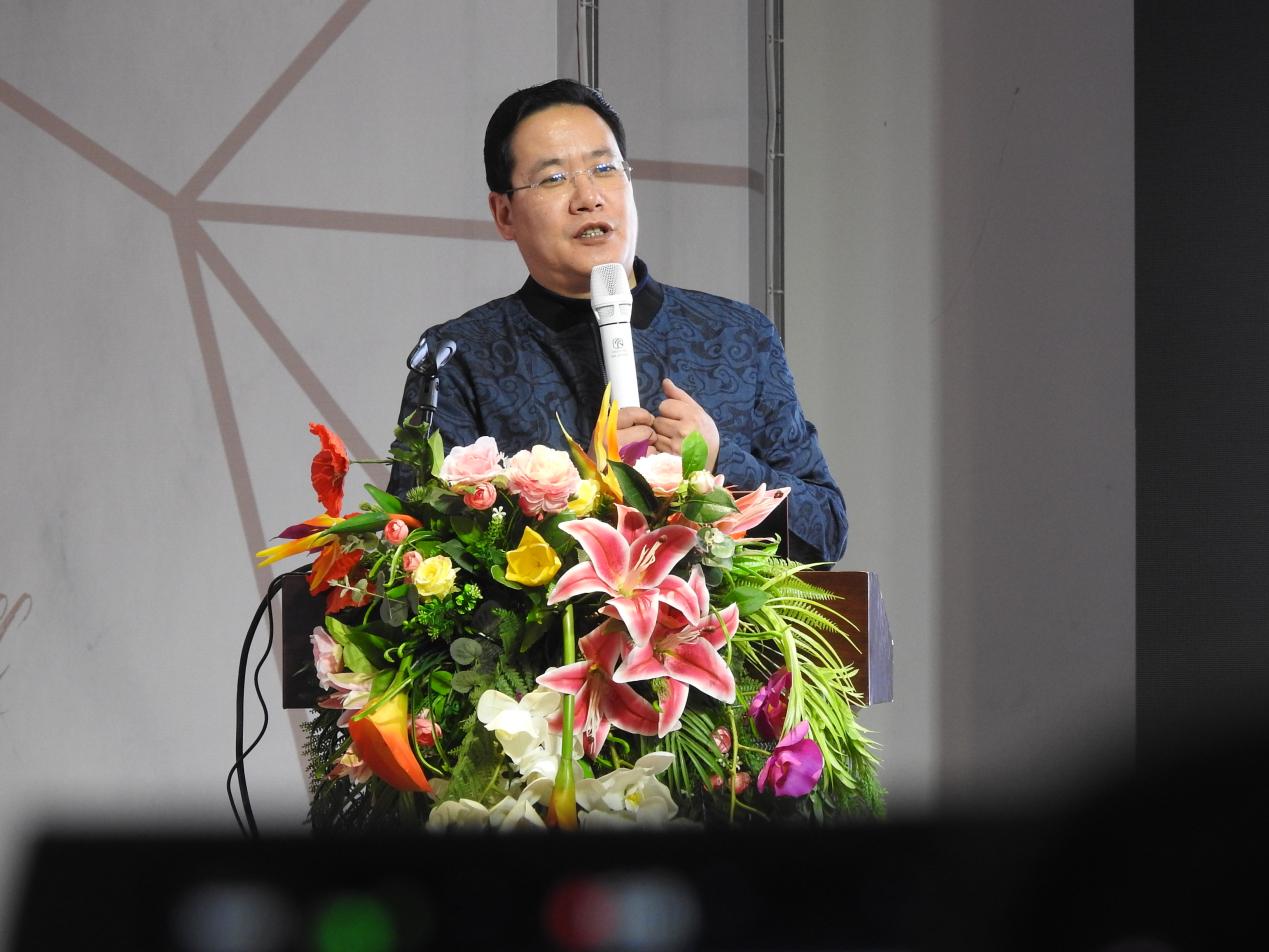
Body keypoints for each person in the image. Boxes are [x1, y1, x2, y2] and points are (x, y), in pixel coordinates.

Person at [387, 78, 846, 565]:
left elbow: (826, 533)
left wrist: (719, 462)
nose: (588, 197)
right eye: (553, 178)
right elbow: (409, 553)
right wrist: (582, 486)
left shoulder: (738, 334)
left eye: (605, 168)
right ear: (504, 213)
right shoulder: (458, 356)